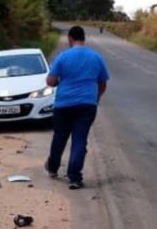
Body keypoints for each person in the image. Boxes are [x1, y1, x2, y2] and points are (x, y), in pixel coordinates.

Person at [45, 26, 110, 190]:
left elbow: (50, 81)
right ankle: (74, 177)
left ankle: (53, 168)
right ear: (84, 38)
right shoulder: (96, 57)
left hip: (63, 105)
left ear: (70, 39)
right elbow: (102, 84)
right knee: (80, 140)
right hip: (87, 106)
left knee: (59, 137)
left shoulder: (63, 57)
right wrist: (95, 99)